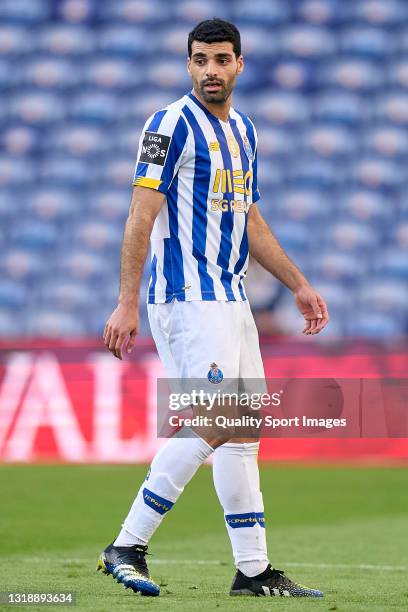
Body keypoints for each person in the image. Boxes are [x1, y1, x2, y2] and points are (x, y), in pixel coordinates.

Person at [98, 18, 329, 598]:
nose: (210, 71)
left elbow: (248, 219)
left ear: (239, 65)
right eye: (199, 60)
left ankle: (252, 571)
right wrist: (126, 301)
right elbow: (140, 215)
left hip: (231, 296)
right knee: (221, 418)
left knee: (244, 430)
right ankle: (127, 543)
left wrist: (297, 282)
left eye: (221, 60)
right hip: (185, 296)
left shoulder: (245, 132)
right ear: (188, 64)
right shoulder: (169, 124)